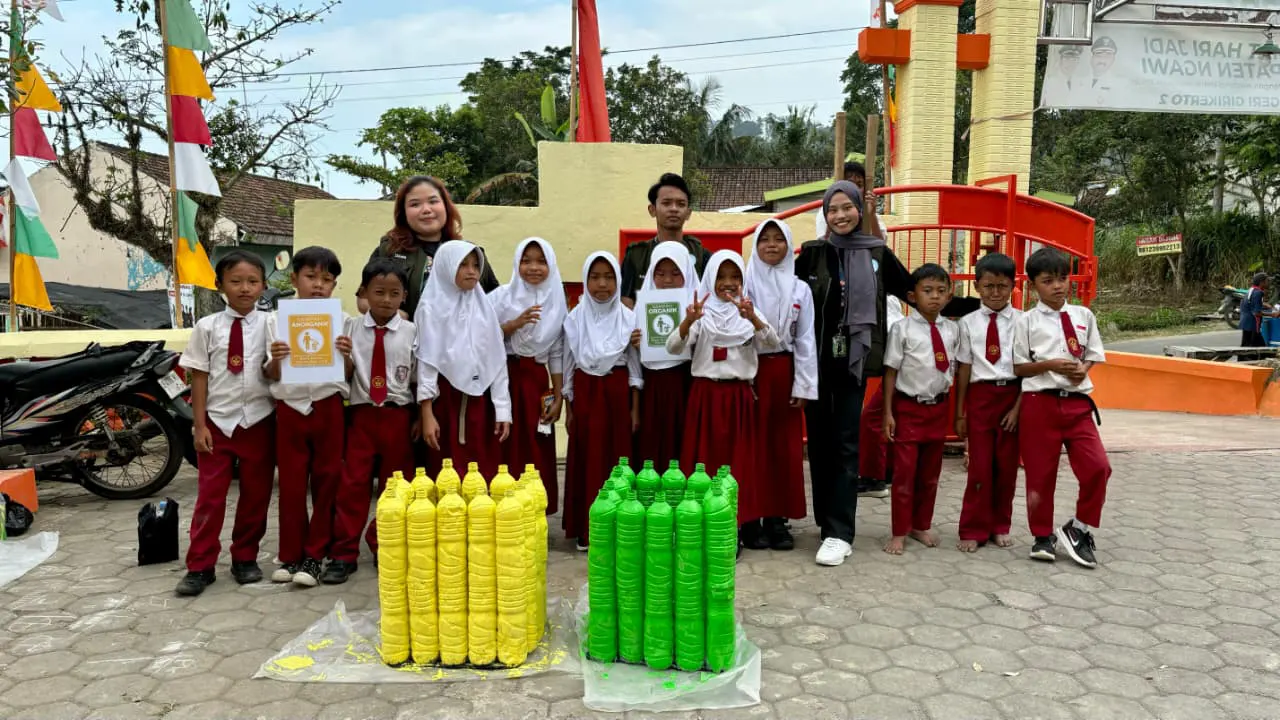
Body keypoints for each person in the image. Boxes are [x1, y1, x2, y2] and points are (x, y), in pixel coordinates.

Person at [797, 180, 912, 567]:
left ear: (860, 210)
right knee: (819, 444)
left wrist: (972, 310)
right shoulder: (812, 254)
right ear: (825, 215)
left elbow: (913, 289)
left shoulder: (876, 252)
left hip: (853, 364)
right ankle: (824, 521)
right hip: (814, 363)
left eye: (847, 207)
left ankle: (840, 533)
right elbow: (786, 297)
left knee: (846, 442)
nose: (840, 215)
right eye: (833, 209)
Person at [175, 251, 275, 596]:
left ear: (264, 285)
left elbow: (276, 372)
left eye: (252, 281)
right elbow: (199, 377)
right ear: (220, 285)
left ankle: (245, 557)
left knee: (255, 496)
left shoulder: (272, 323)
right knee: (210, 497)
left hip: (259, 421)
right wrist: (198, 425)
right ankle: (200, 565)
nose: (244, 288)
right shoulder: (207, 327)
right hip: (217, 423)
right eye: (235, 281)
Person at [670, 250, 779, 550]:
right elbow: (673, 346)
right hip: (706, 396)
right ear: (710, 278)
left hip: (738, 398)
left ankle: (736, 528)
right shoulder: (700, 314)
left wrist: (753, 317)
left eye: (735, 277)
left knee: (737, 464)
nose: (728, 283)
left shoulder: (747, 312)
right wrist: (687, 321)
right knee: (706, 462)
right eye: (721, 276)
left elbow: (773, 341)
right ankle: (703, 525)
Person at [1013, 247, 1111, 568]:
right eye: (1047, 281)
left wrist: (1085, 368)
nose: (1057, 286)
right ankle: (1042, 536)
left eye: (1062, 278)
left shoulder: (1084, 316)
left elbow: (1093, 353)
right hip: (1039, 403)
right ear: (1033, 286)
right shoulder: (1026, 322)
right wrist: (1050, 364)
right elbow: (1018, 368)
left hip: (1078, 404)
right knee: (1041, 475)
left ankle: (1079, 527)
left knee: (1098, 467)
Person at [262, 247, 352, 588]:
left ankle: (316, 555)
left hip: (327, 406)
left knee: (328, 481)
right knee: (291, 484)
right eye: (311, 277)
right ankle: (291, 553)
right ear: (294, 278)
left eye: (327, 280)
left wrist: (345, 356)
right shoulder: (275, 321)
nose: (318, 285)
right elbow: (269, 374)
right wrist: (276, 359)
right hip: (290, 409)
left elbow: (349, 373)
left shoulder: (342, 320)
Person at [325, 259, 419, 584]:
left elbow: (420, 379)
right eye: (378, 292)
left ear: (404, 296)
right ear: (364, 292)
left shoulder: (412, 331)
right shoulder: (348, 329)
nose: (386, 300)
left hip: (398, 416)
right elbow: (343, 376)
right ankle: (343, 553)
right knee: (352, 485)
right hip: (361, 415)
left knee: (397, 487)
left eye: (395, 293)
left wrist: (420, 416)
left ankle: (385, 545)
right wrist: (345, 357)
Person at [562, 252, 643, 550]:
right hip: (586, 392)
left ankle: (619, 526)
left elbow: (635, 368)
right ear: (585, 280)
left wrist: (634, 410)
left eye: (609, 277)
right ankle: (588, 527)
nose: (602, 284)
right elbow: (569, 366)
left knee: (617, 459)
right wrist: (569, 409)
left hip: (616, 391)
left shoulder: (628, 319)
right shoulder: (574, 319)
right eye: (595, 277)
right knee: (588, 458)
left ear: (618, 281)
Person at [745, 219, 816, 551]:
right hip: (751, 371)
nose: (771, 245)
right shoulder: (743, 284)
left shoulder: (800, 288)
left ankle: (777, 519)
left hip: (783, 371)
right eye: (764, 240)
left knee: (780, 448)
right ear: (756, 246)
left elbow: (804, 340)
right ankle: (749, 519)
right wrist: (743, 377)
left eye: (778, 240)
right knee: (751, 446)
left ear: (789, 246)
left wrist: (803, 385)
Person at [416, 241, 511, 477]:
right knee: (448, 471)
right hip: (446, 401)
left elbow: (496, 360)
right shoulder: (431, 308)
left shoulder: (484, 307)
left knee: (482, 471)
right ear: (447, 267)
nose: (472, 271)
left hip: (481, 402)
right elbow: (427, 362)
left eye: (476, 265)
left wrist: (502, 410)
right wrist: (427, 413)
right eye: (463, 265)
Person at [882, 264, 958, 555]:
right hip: (908, 408)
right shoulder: (902, 329)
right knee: (904, 473)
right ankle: (899, 530)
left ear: (949, 296)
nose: (935, 297)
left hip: (938, 408)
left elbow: (955, 368)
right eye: (927, 291)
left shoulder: (951, 329)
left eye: (941, 291)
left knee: (930, 473)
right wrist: (888, 413)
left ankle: (920, 524)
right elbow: (891, 371)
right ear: (913, 296)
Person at [491, 237, 567, 514]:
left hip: (536, 381)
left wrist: (559, 396)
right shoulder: (500, 297)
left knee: (535, 442)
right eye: (526, 260)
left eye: (541, 261)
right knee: (505, 443)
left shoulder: (557, 301)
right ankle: (503, 507)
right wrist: (513, 325)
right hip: (504, 378)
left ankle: (535, 509)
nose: (533, 268)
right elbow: (481, 337)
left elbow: (557, 351)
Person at [954, 253, 1021, 553]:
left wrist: (1018, 408)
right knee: (980, 467)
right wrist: (961, 413)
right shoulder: (967, 324)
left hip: (1012, 396)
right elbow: (964, 368)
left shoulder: (1024, 322)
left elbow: (1029, 367)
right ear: (977, 286)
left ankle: (1000, 525)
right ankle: (973, 527)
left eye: (1002, 286)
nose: (995, 293)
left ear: (1013, 286)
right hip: (980, 397)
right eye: (989, 286)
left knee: (1006, 467)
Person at [364, 176, 498, 317]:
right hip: (407, 337)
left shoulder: (470, 252)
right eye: (415, 204)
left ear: (446, 206)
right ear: (404, 213)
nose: (426, 210)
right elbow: (363, 300)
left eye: (433, 201)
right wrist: (395, 316)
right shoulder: (389, 250)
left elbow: (495, 300)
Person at [633, 241, 698, 471]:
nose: (667, 280)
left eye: (675, 273)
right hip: (653, 386)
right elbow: (633, 357)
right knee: (653, 443)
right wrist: (635, 343)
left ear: (687, 274)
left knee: (682, 444)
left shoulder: (698, 307)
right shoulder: (641, 305)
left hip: (684, 384)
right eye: (659, 274)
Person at [620, 173, 712, 307]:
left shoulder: (701, 255)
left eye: (680, 204)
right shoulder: (636, 255)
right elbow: (626, 301)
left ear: (688, 213)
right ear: (652, 210)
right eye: (666, 203)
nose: (674, 209)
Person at [1240, 272, 1274, 347]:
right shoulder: (1259, 293)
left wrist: (1263, 304)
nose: (1269, 283)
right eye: (1267, 281)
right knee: (1255, 347)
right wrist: (1272, 314)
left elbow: (1249, 302)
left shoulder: (1252, 289)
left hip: (1246, 322)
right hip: (1252, 324)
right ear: (1262, 282)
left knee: (1246, 346)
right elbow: (1256, 313)